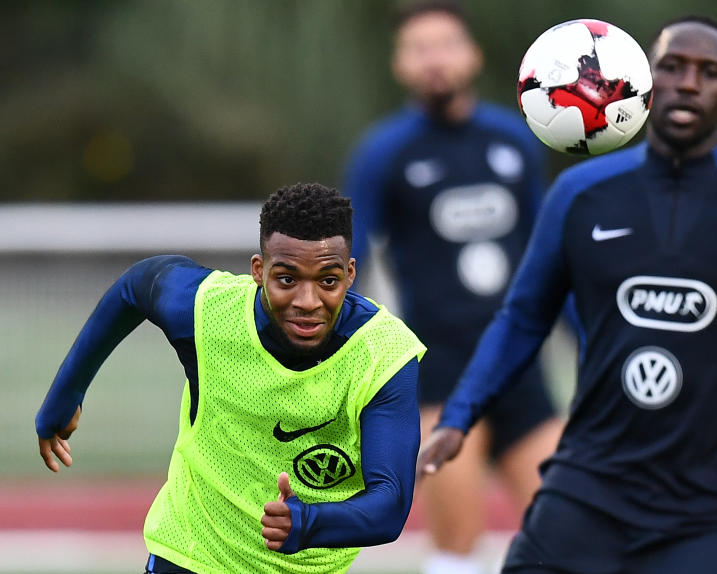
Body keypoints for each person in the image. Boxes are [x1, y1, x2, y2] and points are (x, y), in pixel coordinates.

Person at [418, 15, 717, 574]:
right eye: (673, 66)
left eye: (709, 72)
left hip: (706, 510)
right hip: (585, 487)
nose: (688, 82)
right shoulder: (580, 194)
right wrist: (460, 415)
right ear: (644, 82)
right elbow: (524, 317)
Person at [35, 183, 426, 574]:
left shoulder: (385, 355)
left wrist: (309, 523)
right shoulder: (208, 311)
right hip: (191, 556)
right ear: (259, 271)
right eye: (287, 279)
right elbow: (136, 286)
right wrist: (66, 394)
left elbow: (390, 503)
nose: (308, 302)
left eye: (328, 281)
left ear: (350, 274)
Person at [342, 3, 564, 573]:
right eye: (419, 48)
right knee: (458, 549)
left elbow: (548, 255)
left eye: (445, 44)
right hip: (438, 373)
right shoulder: (384, 152)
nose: (434, 59)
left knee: (571, 532)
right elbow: (349, 261)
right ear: (400, 65)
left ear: (472, 55)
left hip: (521, 368)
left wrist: (593, 340)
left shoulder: (514, 140)